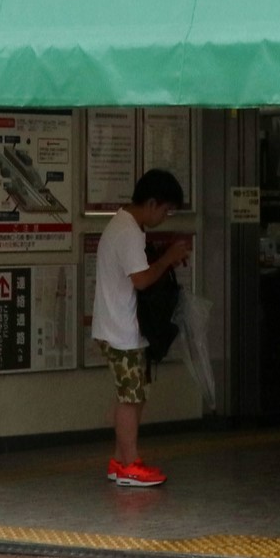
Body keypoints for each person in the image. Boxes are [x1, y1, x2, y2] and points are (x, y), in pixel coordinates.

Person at [92, 169, 192, 487]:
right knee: (131, 398)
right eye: (165, 210)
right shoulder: (129, 232)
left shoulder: (123, 225)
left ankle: (120, 459)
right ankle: (129, 465)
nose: (165, 216)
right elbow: (143, 279)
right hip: (122, 331)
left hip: (117, 326)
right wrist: (167, 259)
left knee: (132, 395)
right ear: (151, 203)